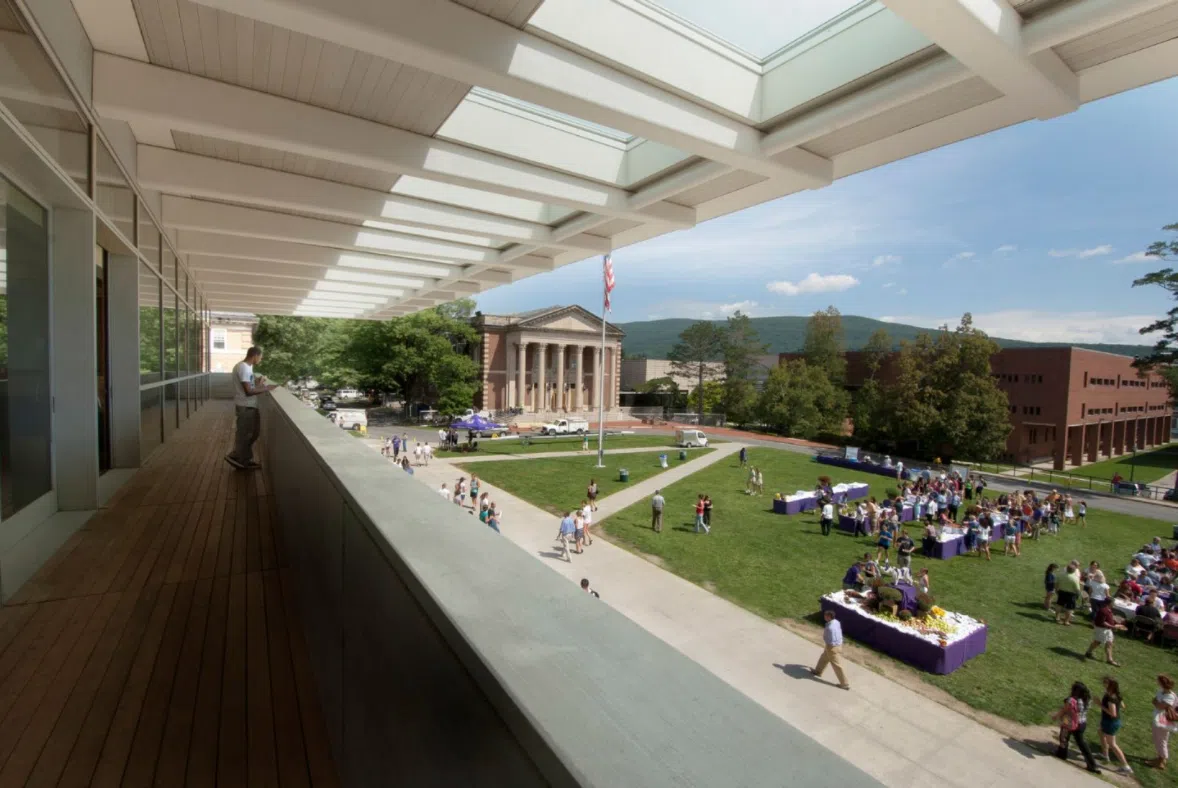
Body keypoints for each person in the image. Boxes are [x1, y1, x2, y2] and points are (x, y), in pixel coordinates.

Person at [225, 346, 277, 470]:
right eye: (260, 357)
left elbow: (250, 386)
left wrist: (258, 382)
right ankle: (239, 458)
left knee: (253, 433)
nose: (260, 359)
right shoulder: (243, 368)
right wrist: (267, 388)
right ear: (255, 356)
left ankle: (243, 457)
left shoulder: (247, 368)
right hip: (246, 406)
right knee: (246, 434)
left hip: (249, 405)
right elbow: (248, 391)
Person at [1051, 681, 1101, 774]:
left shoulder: (1071, 700)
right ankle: (1092, 765)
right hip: (1081, 723)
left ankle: (1061, 754)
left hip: (1069, 721)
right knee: (1082, 743)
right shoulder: (1087, 699)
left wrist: (1055, 716)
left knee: (1064, 737)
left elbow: (1064, 710)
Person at [1098, 677, 1133, 774]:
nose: (1103, 684)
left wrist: (1100, 705)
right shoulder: (1116, 695)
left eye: (1105, 683)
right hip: (1111, 721)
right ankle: (1105, 754)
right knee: (1100, 731)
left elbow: (1113, 714)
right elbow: (1123, 706)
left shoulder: (1111, 698)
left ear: (1110, 686)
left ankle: (1126, 766)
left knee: (1112, 744)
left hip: (1110, 722)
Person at [810, 610, 849, 690]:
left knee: (836, 665)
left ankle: (844, 683)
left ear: (829, 617)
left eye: (825, 615)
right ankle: (818, 671)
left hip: (832, 647)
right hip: (839, 644)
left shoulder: (830, 628)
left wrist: (828, 644)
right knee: (824, 658)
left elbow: (831, 640)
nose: (824, 616)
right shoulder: (836, 622)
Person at [1150, 674, 1178, 770]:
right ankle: (1159, 758)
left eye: (1158, 680)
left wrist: (1156, 702)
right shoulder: (1162, 691)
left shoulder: (1170, 696)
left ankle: (1161, 761)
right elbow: (1154, 701)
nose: (1156, 682)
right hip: (1158, 719)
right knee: (1157, 738)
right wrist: (1157, 702)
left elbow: (1159, 705)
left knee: (1161, 740)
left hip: (1163, 722)